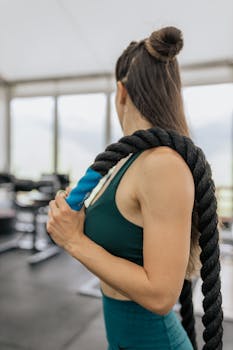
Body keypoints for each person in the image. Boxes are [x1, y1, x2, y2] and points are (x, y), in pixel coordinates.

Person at [47, 26, 202, 349]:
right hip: (121, 338)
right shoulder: (128, 160)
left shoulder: (162, 165)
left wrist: (73, 240)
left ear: (121, 92)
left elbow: (161, 295)